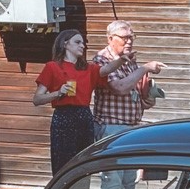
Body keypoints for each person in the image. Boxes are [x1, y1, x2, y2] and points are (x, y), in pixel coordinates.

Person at [92, 20, 166, 189]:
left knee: (128, 181)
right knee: (113, 181)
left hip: (131, 128)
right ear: (111, 39)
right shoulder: (102, 59)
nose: (129, 41)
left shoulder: (129, 60)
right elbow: (119, 87)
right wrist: (145, 68)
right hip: (112, 127)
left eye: (131, 37)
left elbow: (133, 93)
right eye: (124, 37)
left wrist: (146, 99)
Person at [32, 29, 129, 175]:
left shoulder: (88, 68)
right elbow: (37, 99)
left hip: (84, 116)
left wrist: (122, 60)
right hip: (63, 116)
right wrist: (58, 93)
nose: (82, 46)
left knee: (83, 164)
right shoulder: (52, 67)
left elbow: (106, 69)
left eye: (83, 43)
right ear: (65, 44)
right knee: (63, 163)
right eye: (77, 42)